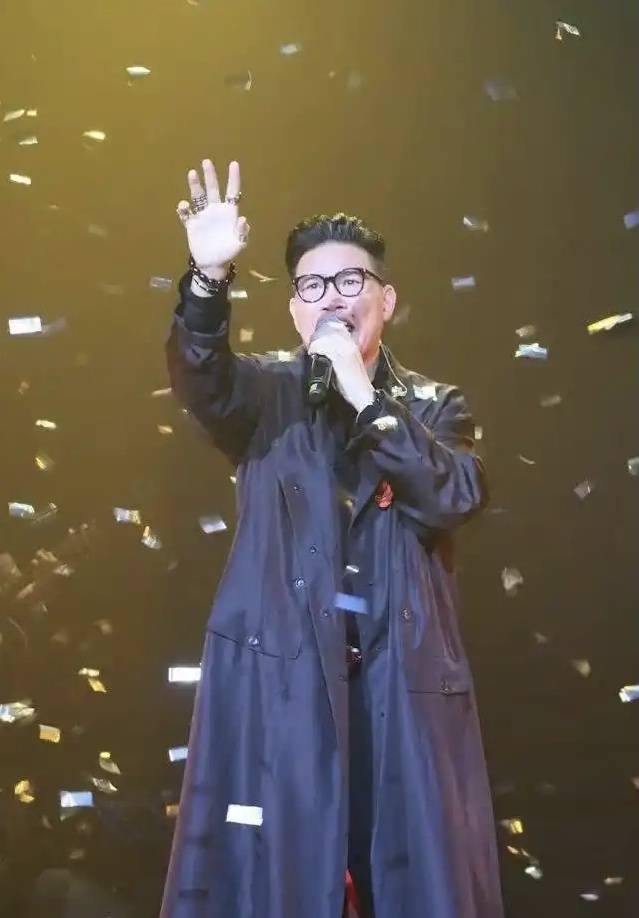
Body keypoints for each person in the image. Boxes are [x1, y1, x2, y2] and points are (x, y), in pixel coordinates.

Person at [160, 159, 505, 918]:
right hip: (282, 684)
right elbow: (200, 375)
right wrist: (208, 279)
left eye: (349, 281)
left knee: (411, 878)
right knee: (278, 881)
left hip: (397, 685)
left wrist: (363, 395)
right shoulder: (265, 394)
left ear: (387, 300)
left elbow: (454, 494)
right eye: (312, 286)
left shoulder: (434, 405)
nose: (332, 298)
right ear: (293, 308)